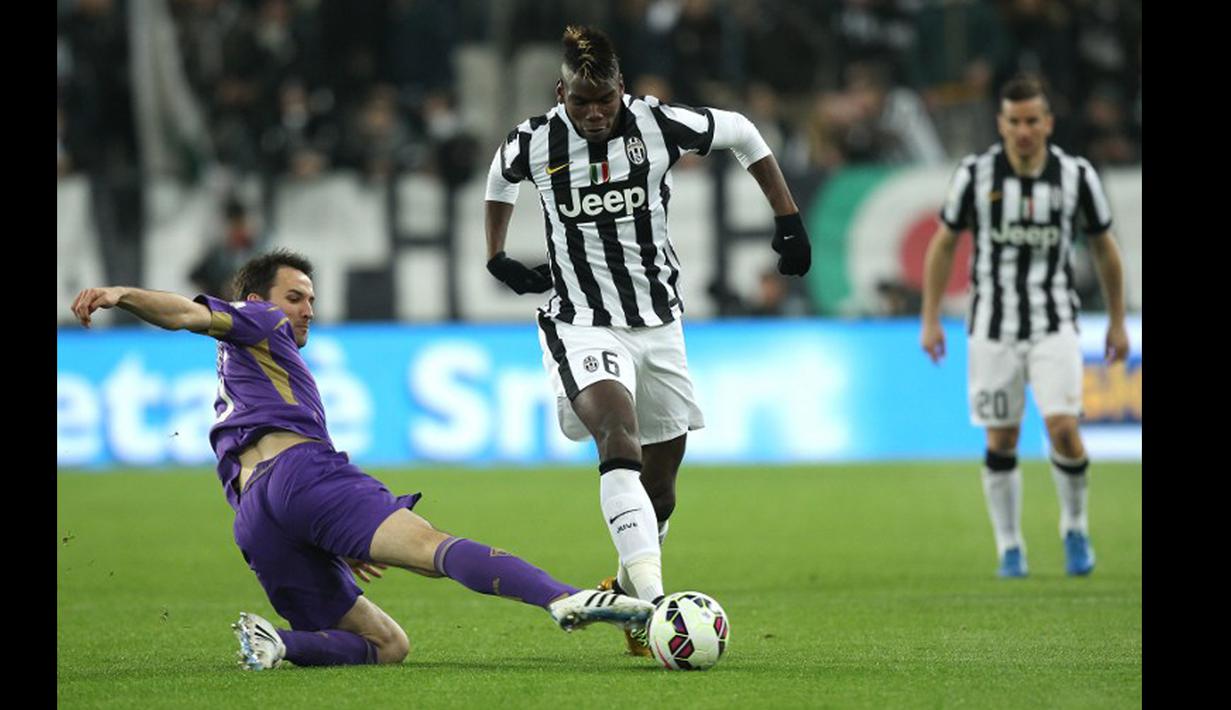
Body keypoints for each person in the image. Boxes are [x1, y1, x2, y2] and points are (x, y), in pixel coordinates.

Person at [69, 249, 653, 671]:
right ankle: (565, 597)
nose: (306, 310)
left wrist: (327, 533)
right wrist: (123, 295)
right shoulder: (260, 322)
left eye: (311, 300)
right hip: (303, 476)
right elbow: (185, 314)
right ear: (256, 301)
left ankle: (279, 645)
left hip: (254, 517)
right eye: (295, 297)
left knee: (388, 646)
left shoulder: (240, 372)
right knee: (430, 551)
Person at [483, 26, 811, 654]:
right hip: (580, 319)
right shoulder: (534, 139)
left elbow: (743, 132)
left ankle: (630, 580)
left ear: (622, 89)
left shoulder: (658, 125)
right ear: (561, 93)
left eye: (605, 98)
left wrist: (788, 218)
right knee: (617, 434)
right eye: (581, 101)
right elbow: (499, 180)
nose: (595, 111)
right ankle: (654, 607)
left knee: (660, 487)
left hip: (660, 323)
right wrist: (497, 255)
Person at [919, 75, 1129, 579]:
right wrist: (929, 317)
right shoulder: (975, 173)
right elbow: (944, 243)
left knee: (1064, 429)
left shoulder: (1077, 176)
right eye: (1014, 121)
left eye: (1033, 120)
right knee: (1002, 439)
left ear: (1048, 122)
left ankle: (1074, 526)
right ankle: (1010, 547)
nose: (1023, 130)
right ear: (1001, 124)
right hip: (991, 325)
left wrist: (1119, 320)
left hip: (1054, 320)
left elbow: (1104, 247)